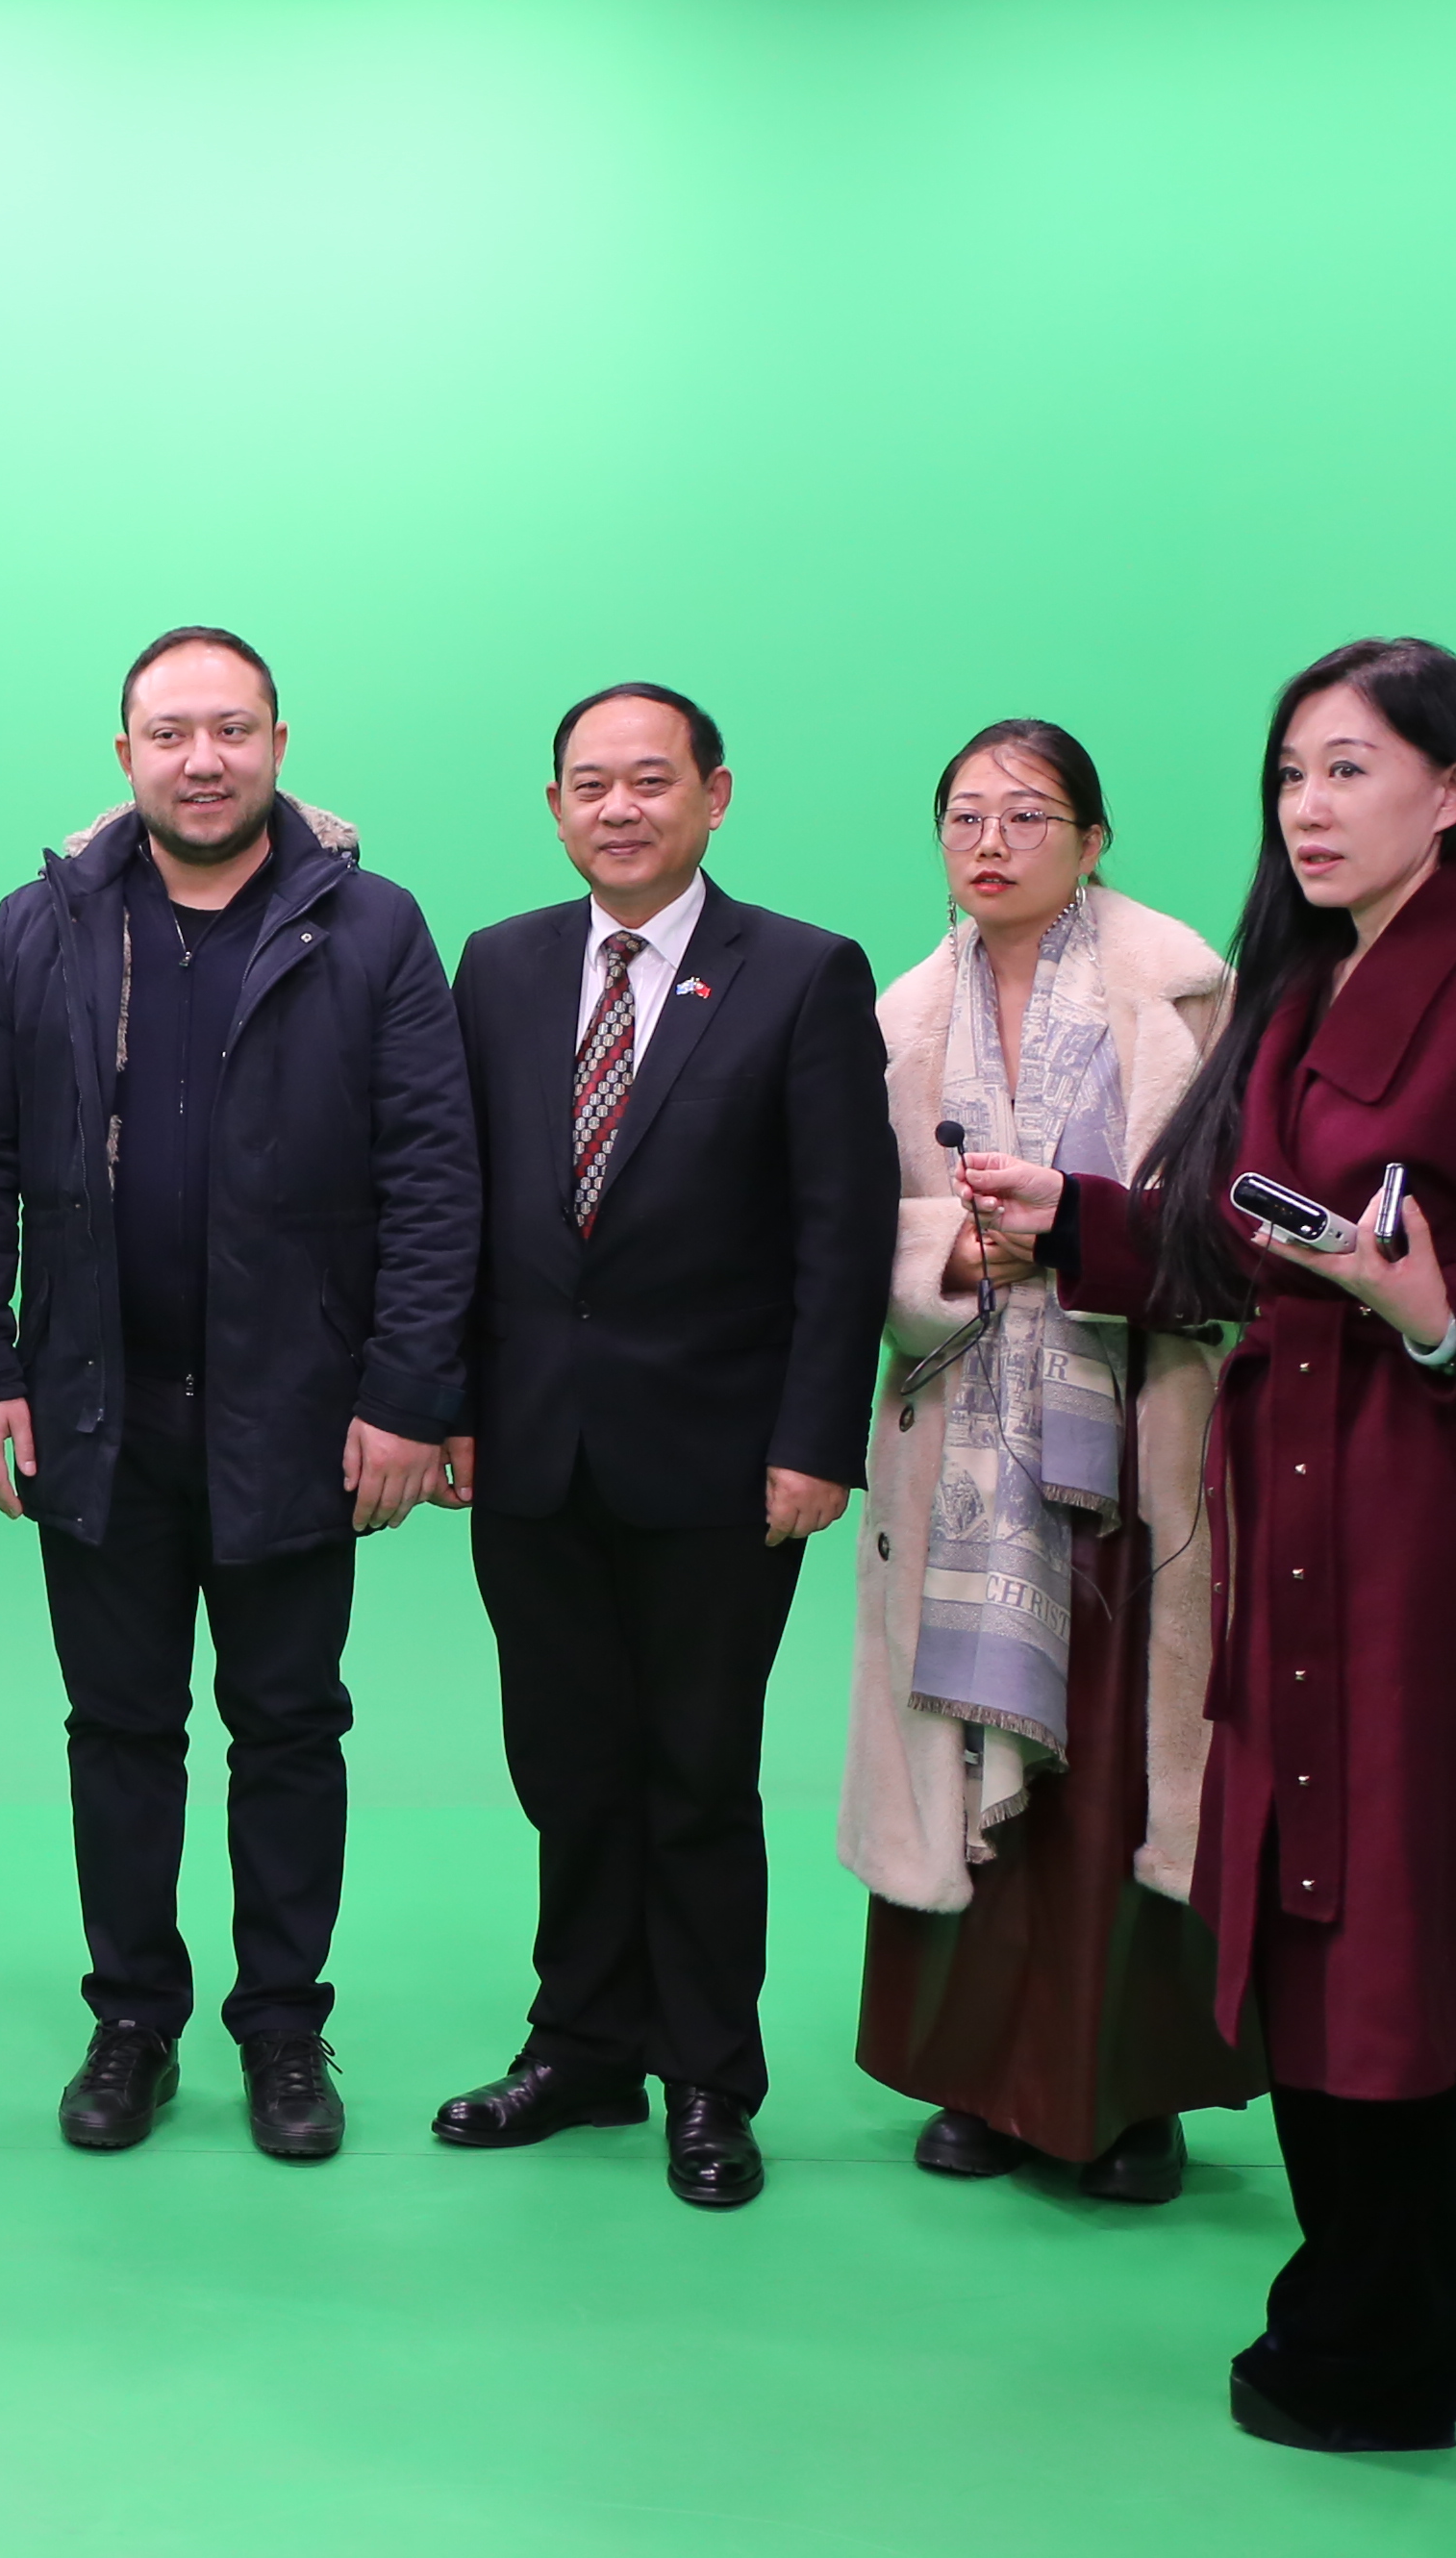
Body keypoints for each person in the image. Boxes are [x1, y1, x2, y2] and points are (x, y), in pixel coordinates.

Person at [959, 639, 1456, 2453]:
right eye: (1291, 774)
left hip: (1422, 1510)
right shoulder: (1300, 986)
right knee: (1302, 1889)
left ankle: (1378, 2336)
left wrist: (1443, 1306)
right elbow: (1225, 1241)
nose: (1309, 808)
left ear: (1455, 788)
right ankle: (1429, 2280)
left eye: (1351, 770)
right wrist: (1076, 1216)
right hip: (1281, 1491)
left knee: (1388, 1906)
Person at [0, 627, 475, 2161]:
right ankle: (133, 2022)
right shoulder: (43, 926)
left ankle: (285, 2030)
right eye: (171, 734)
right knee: (120, 1728)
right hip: (93, 1409)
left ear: (281, 746)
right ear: (126, 758)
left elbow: (435, 1177)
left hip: (299, 1413)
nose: (203, 759)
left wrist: (406, 1394)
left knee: (288, 1727)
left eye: (232, 729)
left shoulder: (370, 926)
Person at [433, 681, 890, 2206]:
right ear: (555, 807)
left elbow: (841, 1232)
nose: (618, 809)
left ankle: (707, 2075)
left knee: (696, 1770)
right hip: (529, 1449)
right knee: (567, 1766)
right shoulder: (498, 965)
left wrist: (815, 1441)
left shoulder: (803, 973)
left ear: (714, 795)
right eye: (590, 784)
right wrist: (450, 1405)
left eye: (650, 780)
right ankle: (581, 2048)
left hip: (722, 1455)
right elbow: (455, 1204)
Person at [838, 720, 1256, 2204]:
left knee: (1125, 1766)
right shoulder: (897, 1016)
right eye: (964, 815)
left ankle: (1124, 2096)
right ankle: (980, 2081)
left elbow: (1243, 1217)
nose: (991, 842)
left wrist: (1077, 1229)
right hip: (961, 1439)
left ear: (1094, 840)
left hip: (1131, 1433)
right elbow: (844, 1223)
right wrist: (955, 1250)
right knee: (963, 1744)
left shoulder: (1186, 992)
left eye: (1028, 815)